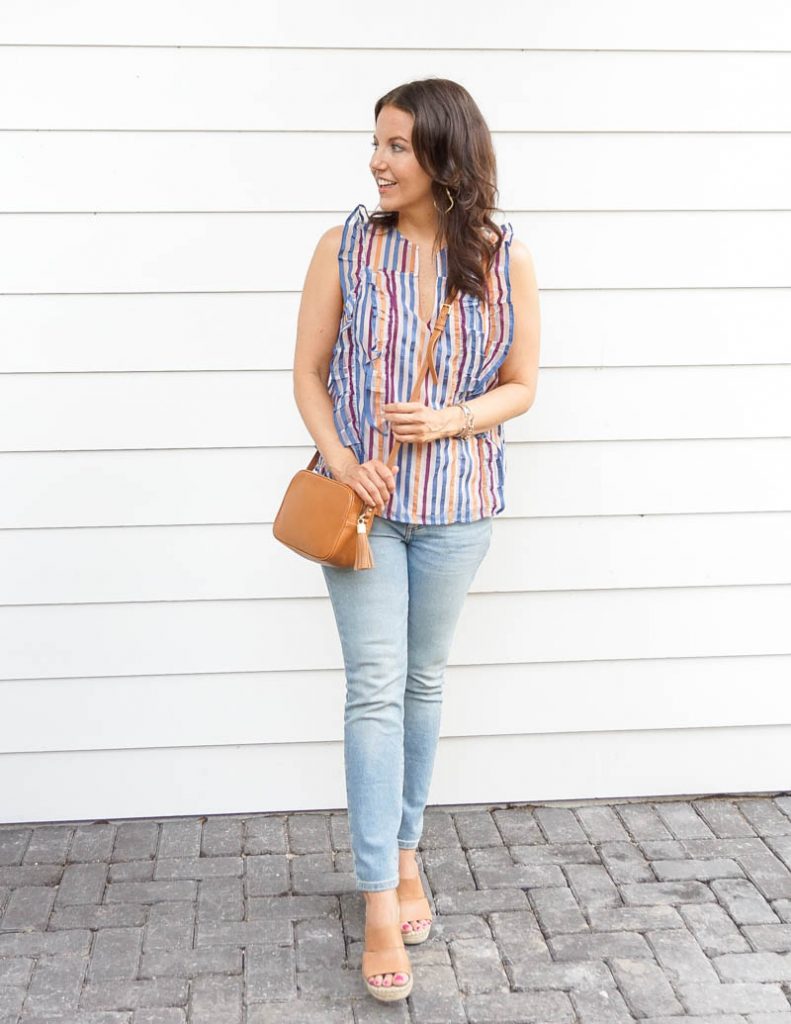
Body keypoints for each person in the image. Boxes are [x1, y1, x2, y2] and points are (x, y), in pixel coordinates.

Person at [292, 78, 540, 1002]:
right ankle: (376, 901)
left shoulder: (499, 253)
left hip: (458, 502)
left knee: (423, 683)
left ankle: (405, 855)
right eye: (376, 143)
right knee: (373, 693)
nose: (377, 160)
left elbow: (522, 383)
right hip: (360, 505)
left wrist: (451, 418)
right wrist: (341, 457)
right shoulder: (344, 246)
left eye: (396, 145)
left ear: (443, 154)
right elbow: (308, 374)